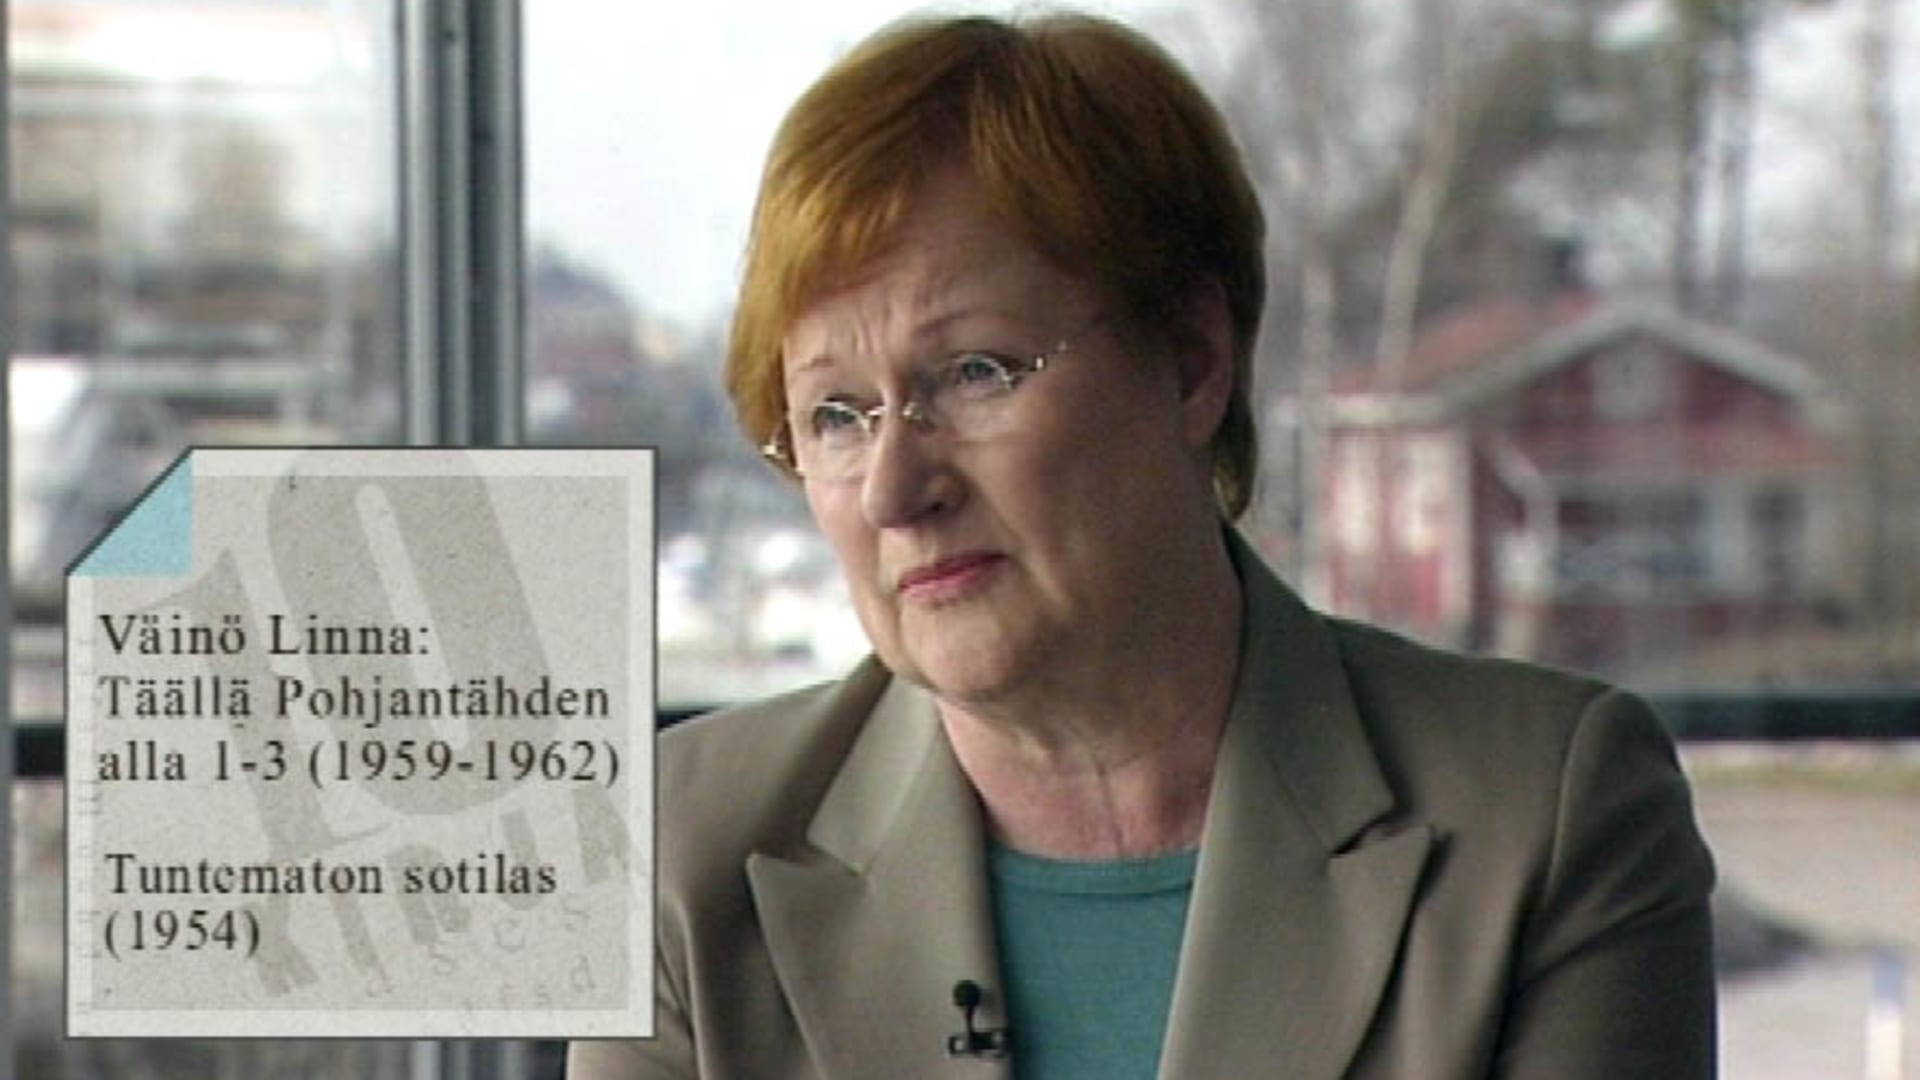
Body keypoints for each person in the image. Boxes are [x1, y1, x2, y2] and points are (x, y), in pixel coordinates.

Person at [570, 11, 1716, 1078]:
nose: (893, 489)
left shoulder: (1543, 818)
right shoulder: (682, 856)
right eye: (835, 415)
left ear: (1190, 361)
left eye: (973, 373)